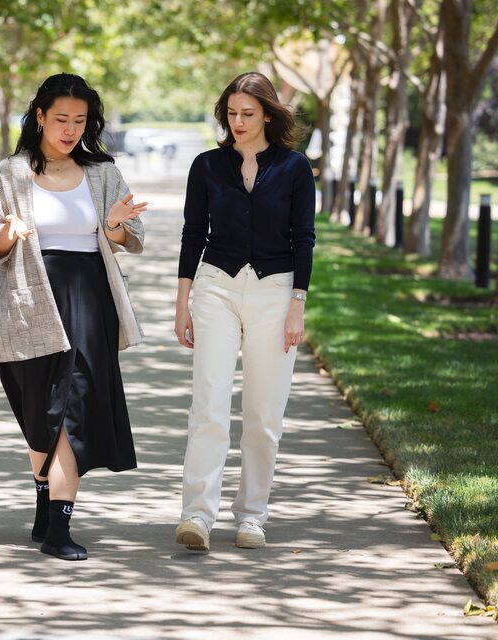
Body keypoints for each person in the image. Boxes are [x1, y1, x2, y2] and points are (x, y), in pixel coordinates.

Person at [0, 73, 148, 561]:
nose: (70, 130)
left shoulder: (103, 172)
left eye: (80, 121)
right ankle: (45, 500)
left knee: (72, 409)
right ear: (40, 117)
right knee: (38, 413)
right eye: (61, 119)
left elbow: (132, 234)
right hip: (29, 300)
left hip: (89, 299)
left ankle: (59, 528)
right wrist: (10, 230)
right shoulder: (11, 174)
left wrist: (113, 227)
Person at [173, 71, 315, 552]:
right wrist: (182, 303)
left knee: (262, 414)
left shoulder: (295, 169)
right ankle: (197, 515)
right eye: (231, 113)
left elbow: (304, 241)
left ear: (268, 114)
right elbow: (194, 235)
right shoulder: (207, 166)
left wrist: (298, 305)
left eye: (247, 114)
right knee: (209, 405)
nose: (237, 122)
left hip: (276, 294)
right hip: (216, 287)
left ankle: (252, 515)